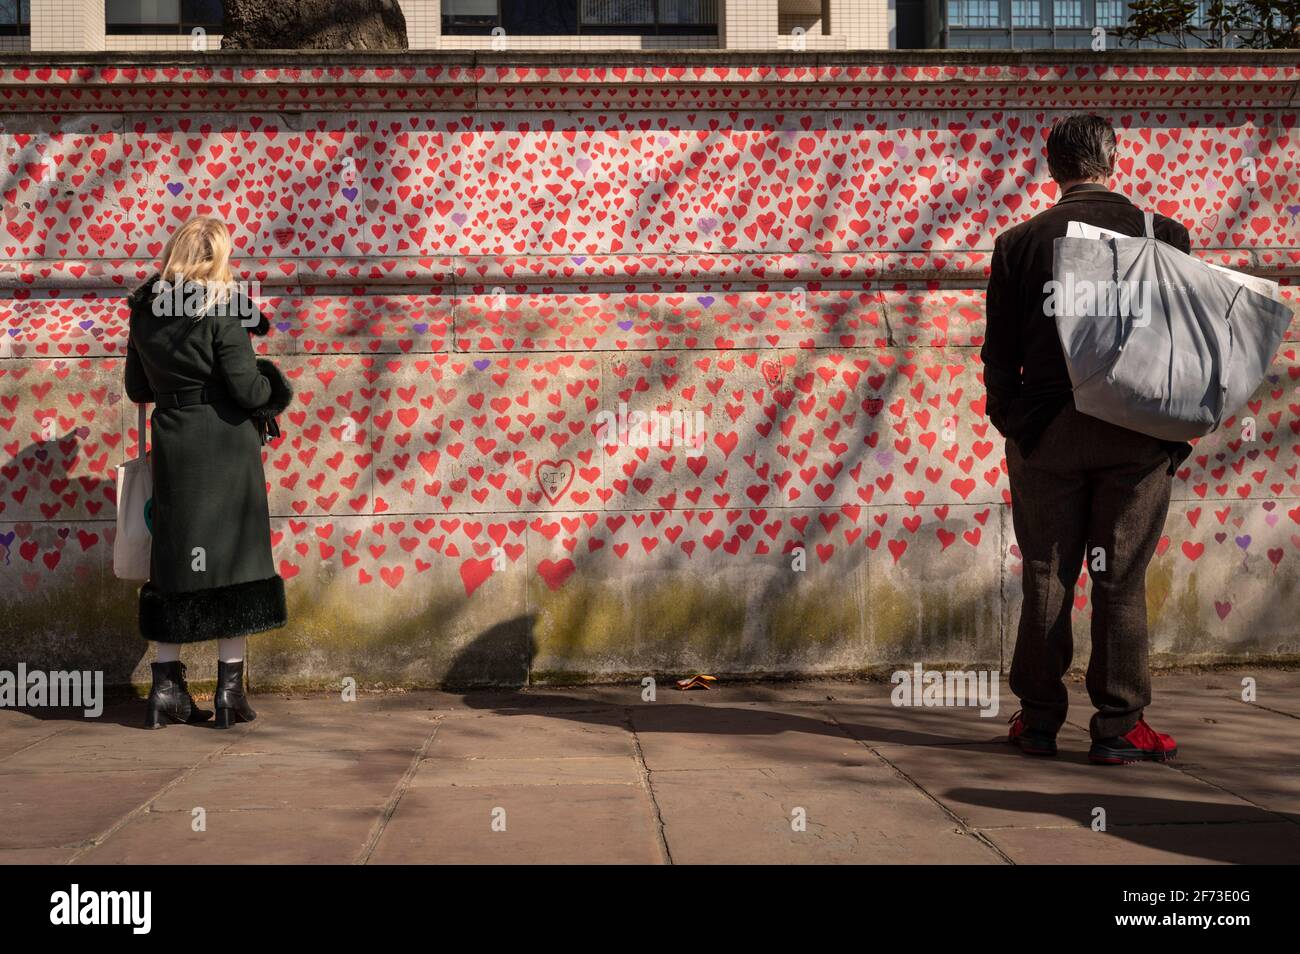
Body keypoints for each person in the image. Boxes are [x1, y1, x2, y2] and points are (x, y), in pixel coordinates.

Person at [981, 114, 1190, 764]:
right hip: (1137, 433)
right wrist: (1174, 438)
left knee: (1047, 574)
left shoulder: (1020, 243)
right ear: (1113, 161)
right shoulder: (1164, 235)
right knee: (1119, 579)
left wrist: (1016, 421)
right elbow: (1189, 345)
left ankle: (1038, 721)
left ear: (1053, 169)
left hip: (1048, 431)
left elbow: (998, 355)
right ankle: (1121, 726)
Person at [124, 216, 292, 729]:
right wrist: (274, 384)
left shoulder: (146, 311)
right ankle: (228, 692)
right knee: (235, 566)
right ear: (216, 257)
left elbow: (137, 386)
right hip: (224, 446)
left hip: (174, 444)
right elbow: (247, 388)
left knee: (175, 564)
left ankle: (166, 688)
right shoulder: (220, 307)